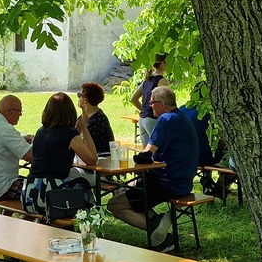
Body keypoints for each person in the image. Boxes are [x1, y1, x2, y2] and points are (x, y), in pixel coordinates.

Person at [108, 84, 196, 248]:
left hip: (166, 182)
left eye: (151, 103)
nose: (149, 106)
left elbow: (147, 153)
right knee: (123, 188)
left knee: (114, 204)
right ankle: (159, 222)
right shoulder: (181, 117)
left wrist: (138, 158)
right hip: (183, 182)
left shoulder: (166, 119)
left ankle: (161, 234)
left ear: (162, 104)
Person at [21, 92, 97, 216]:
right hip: (53, 196)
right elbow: (92, 159)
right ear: (70, 112)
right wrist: (84, 128)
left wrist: (76, 130)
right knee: (82, 184)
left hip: (30, 194)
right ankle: (87, 220)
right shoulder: (70, 134)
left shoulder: (41, 132)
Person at [77, 82, 115, 157]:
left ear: (85, 100)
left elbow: (81, 144)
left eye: (80, 95)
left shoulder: (96, 121)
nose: (78, 98)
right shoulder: (90, 116)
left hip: (100, 158)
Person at [136, 56, 167, 144]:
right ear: (162, 64)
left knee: (146, 151)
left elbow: (133, 99)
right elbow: (166, 102)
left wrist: (144, 110)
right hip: (153, 119)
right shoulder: (162, 81)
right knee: (158, 148)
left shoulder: (147, 79)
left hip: (142, 119)